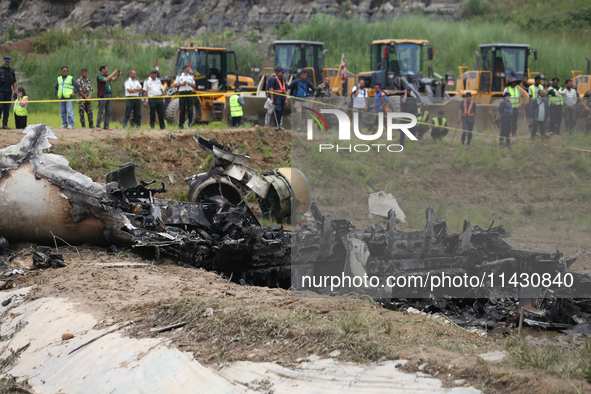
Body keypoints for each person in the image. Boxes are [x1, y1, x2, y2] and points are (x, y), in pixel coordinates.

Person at [96, 64, 120, 131]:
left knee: (108, 111)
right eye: (106, 69)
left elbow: (114, 79)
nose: (107, 70)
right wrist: (113, 73)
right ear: (102, 69)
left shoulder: (107, 76)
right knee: (101, 111)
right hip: (102, 95)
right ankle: (98, 125)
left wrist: (117, 75)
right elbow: (106, 80)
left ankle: (106, 125)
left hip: (109, 95)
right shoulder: (100, 76)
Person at [173, 64, 196, 129]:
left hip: (189, 92)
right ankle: (181, 125)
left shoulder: (191, 76)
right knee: (182, 109)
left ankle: (190, 125)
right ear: (185, 68)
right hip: (182, 93)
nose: (189, 69)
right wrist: (181, 84)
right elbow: (175, 85)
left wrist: (190, 84)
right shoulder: (179, 76)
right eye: (188, 68)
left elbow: (194, 86)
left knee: (190, 109)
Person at [0, 56, 17, 129]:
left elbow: (14, 82)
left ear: (9, 62)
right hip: (0, 91)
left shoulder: (11, 71)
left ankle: (5, 124)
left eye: (8, 62)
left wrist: (15, 93)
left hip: (8, 92)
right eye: (5, 61)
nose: (7, 63)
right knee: (0, 107)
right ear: (3, 61)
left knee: (7, 108)